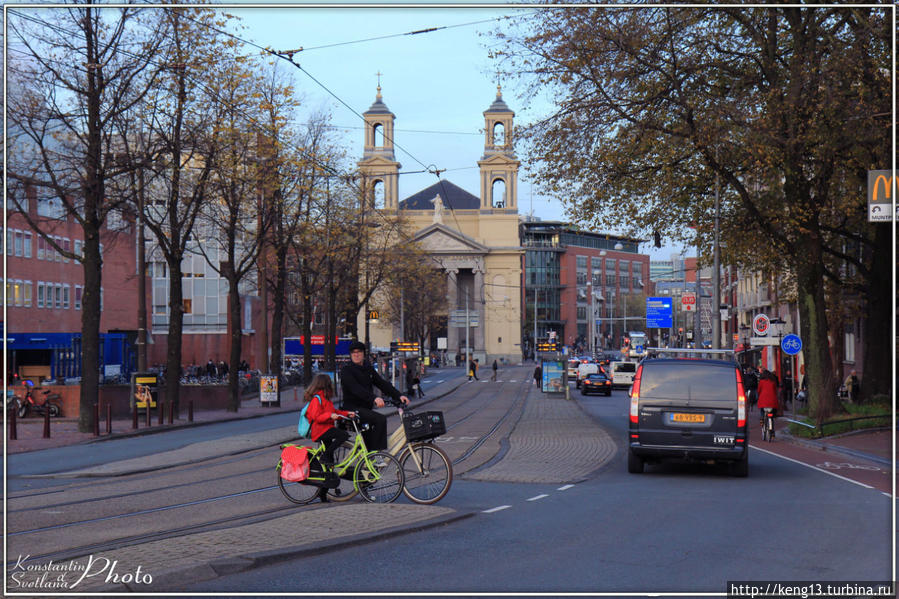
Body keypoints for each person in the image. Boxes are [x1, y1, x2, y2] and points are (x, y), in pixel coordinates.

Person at [340, 341, 409, 451]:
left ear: (364, 354)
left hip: (365, 409)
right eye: (353, 353)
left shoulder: (368, 369)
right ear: (350, 355)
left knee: (370, 437)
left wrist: (398, 396)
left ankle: (370, 458)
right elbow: (355, 389)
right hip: (352, 408)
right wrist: (374, 398)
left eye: (359, 352)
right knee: (380, 420)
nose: (356, 355)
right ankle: (378, 456)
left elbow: (382, 383)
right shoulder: (346, 370)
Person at [303, 374, 355, 502]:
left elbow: (334, 411)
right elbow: (317, 417)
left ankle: (322, 494)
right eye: (330, 383)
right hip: (320, 431)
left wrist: (346, 413)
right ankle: (325, 454)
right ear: (325, 384)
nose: (332, 385)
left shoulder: (326, 398)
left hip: (326, 430)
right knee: (342, 435)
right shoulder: (317, 399)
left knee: (329, 468)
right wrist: (329, 416)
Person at [757, 369, 779, 433]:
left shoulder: (761, 381)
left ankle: (761, 418)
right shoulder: (773, 382)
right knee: (771, 416)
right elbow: (775, 391)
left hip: (763, 400)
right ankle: (772, 433)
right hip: (772, 401)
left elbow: (759, 391)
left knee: (762, 409)